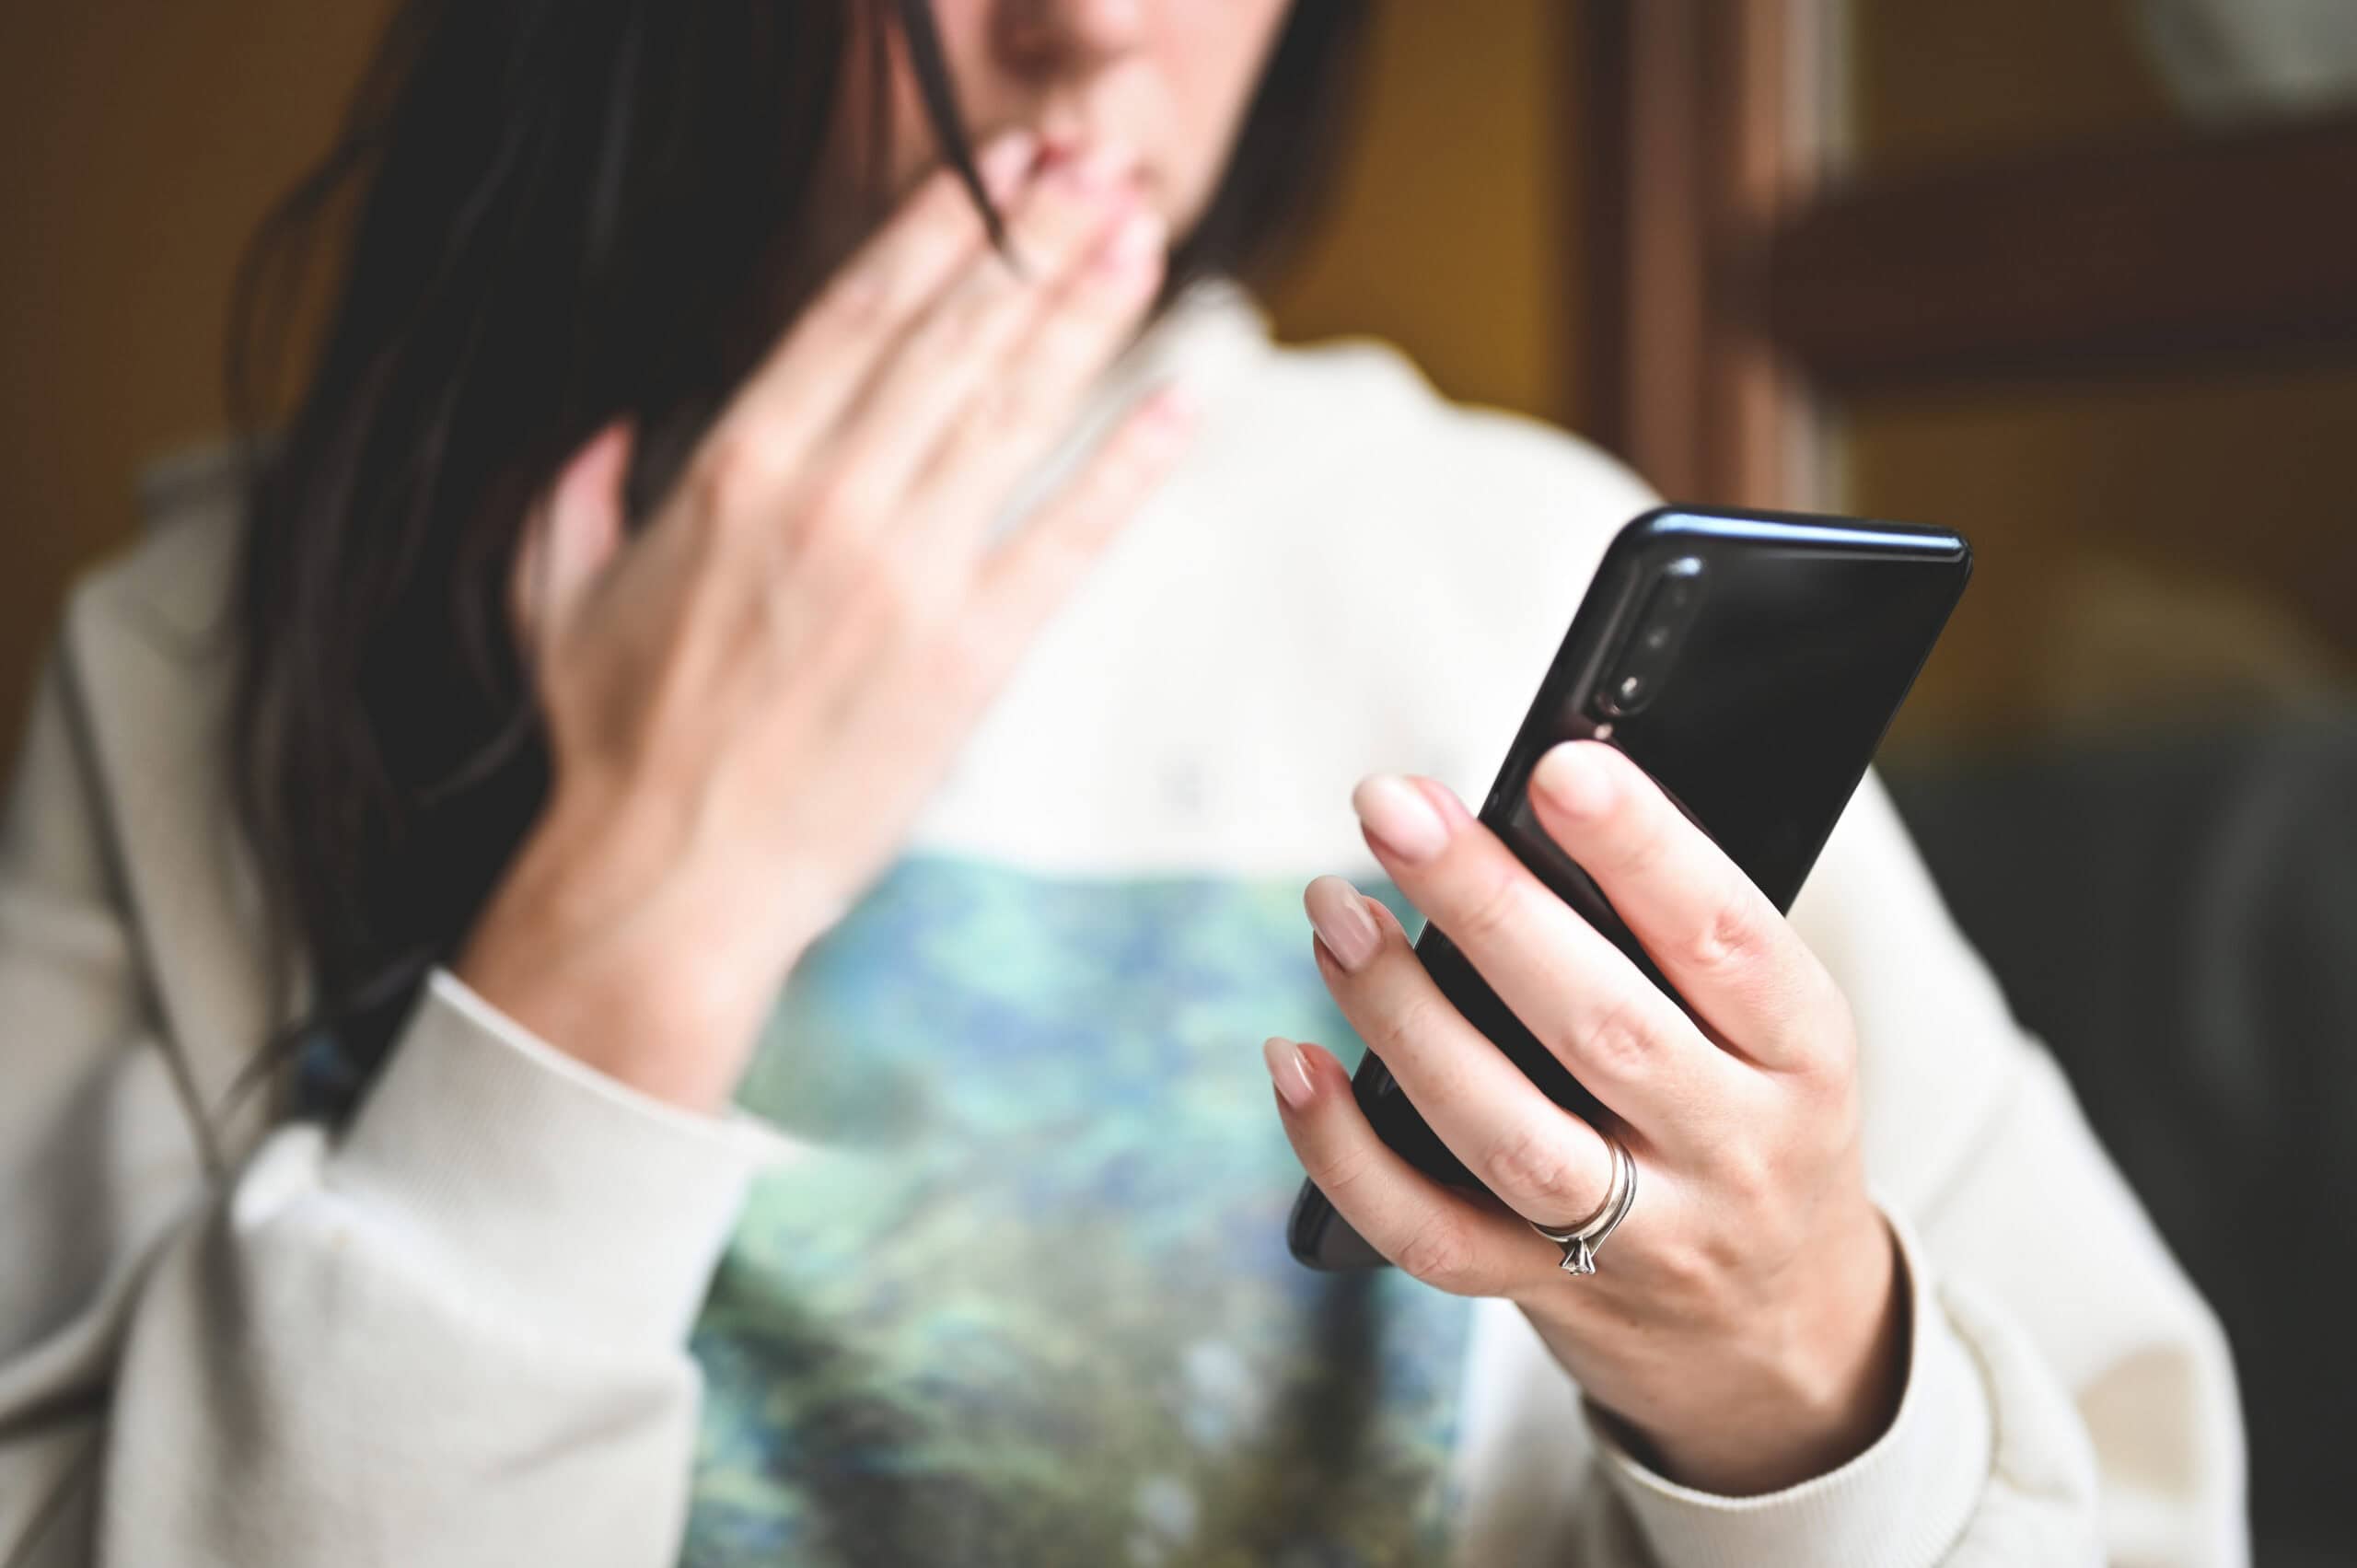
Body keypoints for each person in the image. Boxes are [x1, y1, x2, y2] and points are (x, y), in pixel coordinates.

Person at [0, 3, 2245, 1564]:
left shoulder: (1499, 570)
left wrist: (1786, 1390)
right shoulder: (199, 652)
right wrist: (623, 928)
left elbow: (2140, 1518)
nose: (1096, 26)